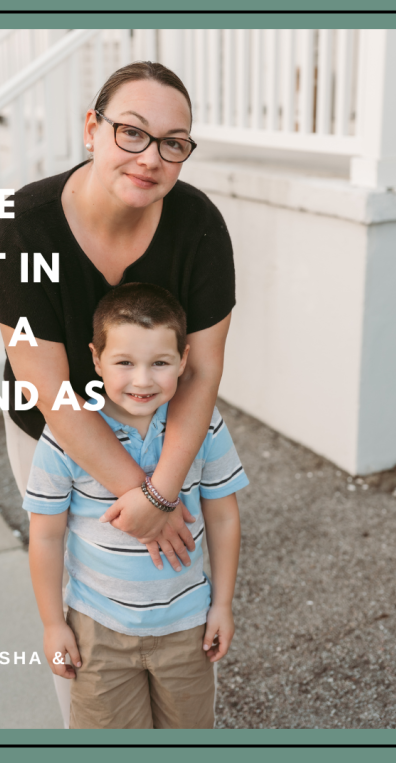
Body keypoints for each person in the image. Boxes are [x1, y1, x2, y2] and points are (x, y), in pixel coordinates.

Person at [0, 60, 237, 725]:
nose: (151, 157)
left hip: (163, 424)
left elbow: (201, 372)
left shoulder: (199, 225)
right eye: (132, 132)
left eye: (173, 142)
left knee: (173, 571)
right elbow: (50, 389)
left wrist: (164, 488)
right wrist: (139, 493)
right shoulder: (26, 223)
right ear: (92, 128)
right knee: (77, 593)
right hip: (56, 429)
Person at [25, 283, 247, 729]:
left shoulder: (206, 425)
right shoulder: (67, 437)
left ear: (184, 360)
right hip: (99, 629)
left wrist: (222, 604)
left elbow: (223, 518)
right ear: (95, 359)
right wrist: (53, 624)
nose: (142, 380)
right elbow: (46, 536)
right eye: (124, 363)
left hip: (186, 624)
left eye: (160, 363)